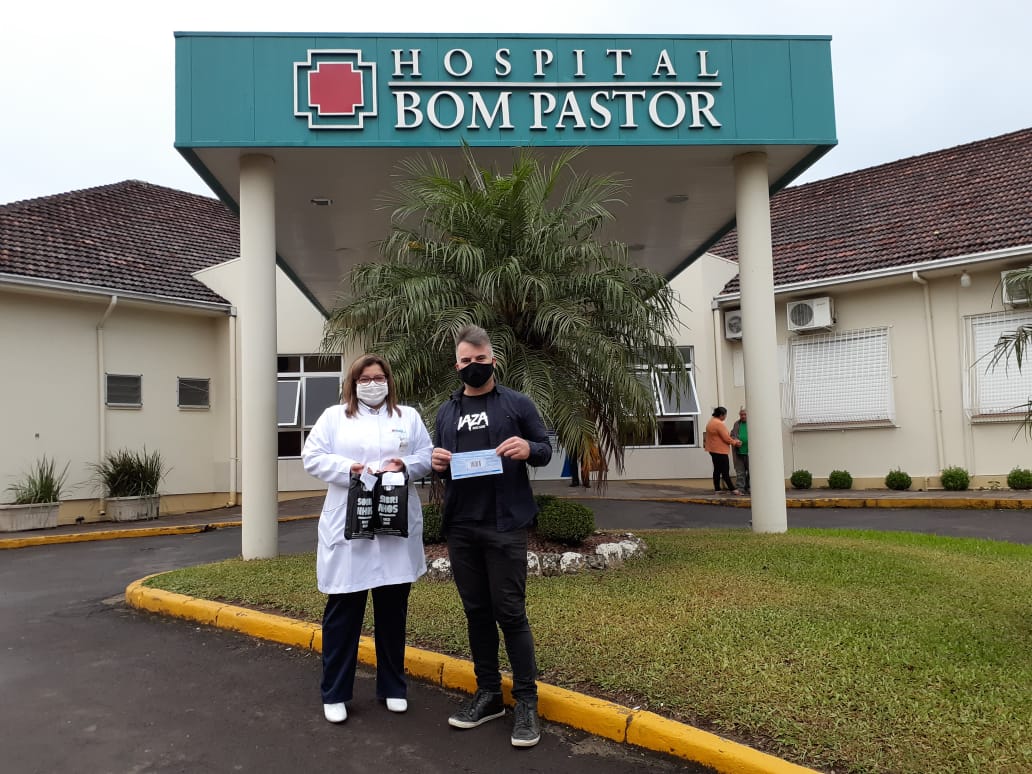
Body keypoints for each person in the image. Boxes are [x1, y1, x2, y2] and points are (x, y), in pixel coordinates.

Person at [430, 325, 553, 748]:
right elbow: (437, 462)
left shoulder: (517, 404)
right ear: (457, 364)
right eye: (466, 360)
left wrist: (529, 449)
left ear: (493, 360)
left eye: (480, 360)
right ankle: (488, 695)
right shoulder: (446, 412)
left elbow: (545, 447)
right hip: (462, 525)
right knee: (476, 612)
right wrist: (436, 461)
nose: (473, 367)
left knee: (511, 613)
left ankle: (526, 702)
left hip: (505, 525)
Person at [302, 353, 433, 725]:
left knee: (393, 612)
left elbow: (425, 455)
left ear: (389, 381)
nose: (372, 384)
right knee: (344, 613)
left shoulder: (407, 417)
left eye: (379, 377)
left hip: (393, 527)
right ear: (353, 383)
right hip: (351, 529)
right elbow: (311, 457)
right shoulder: (333, 417)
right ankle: (335, 691)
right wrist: (350, 469)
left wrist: (404, 465)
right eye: (364, 378)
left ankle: (393, 687)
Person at [704, 406, 741, 494]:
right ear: (721, 415)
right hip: (720, 450)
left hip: (712, 449)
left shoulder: (711, 421)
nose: (725, 417)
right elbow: (726, 438)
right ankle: (733, 489)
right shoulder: (718, 424)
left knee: (717, 470)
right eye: (725, 415)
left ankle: (717, 489)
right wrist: (735, 443)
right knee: (725, 471)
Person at [730, 407, 750, 495]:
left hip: (750, 453)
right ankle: (740, 489)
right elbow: (732, 435)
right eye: (741, 414)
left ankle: (749, 487)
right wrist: (736, 440)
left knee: (751, 471)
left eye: (745, 414)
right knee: (740, 471)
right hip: (739, 452)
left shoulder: (753, 423)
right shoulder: (736, 424)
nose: (743, 416)